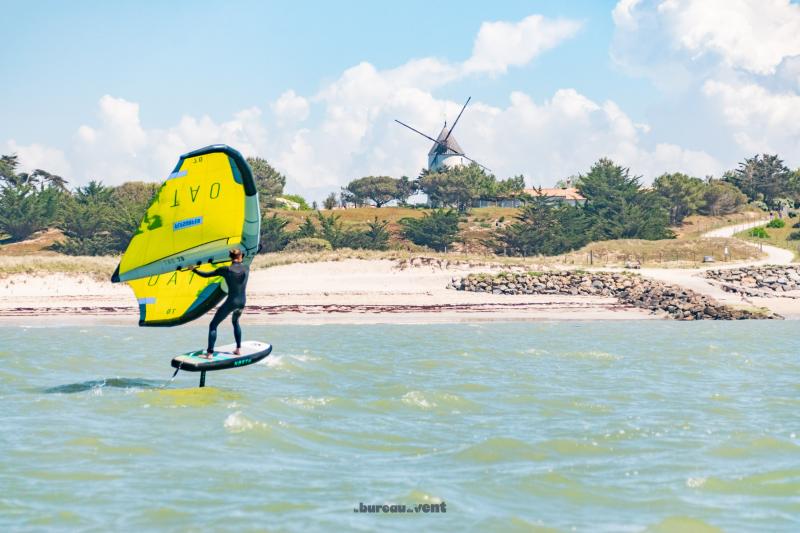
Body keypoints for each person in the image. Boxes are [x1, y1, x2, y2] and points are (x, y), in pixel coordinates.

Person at [192, 248, 250, 358]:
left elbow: (206, 275)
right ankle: (238, 349)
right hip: (242, 302)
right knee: (235, 321)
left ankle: (209, 354)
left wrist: (193, 270)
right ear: (241, 256)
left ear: (230, 257)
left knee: (213, 325)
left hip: (231, 302)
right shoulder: (247, 268)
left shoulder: (225, 270)